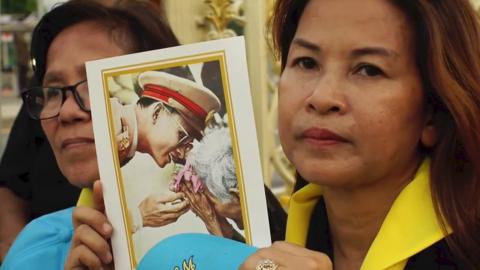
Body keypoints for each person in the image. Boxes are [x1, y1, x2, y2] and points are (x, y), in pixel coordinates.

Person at [240, 0, 480, 269]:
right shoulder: (256, 242)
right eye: (307, 62)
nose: (321, 97)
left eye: (368, 69)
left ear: (433, 113)